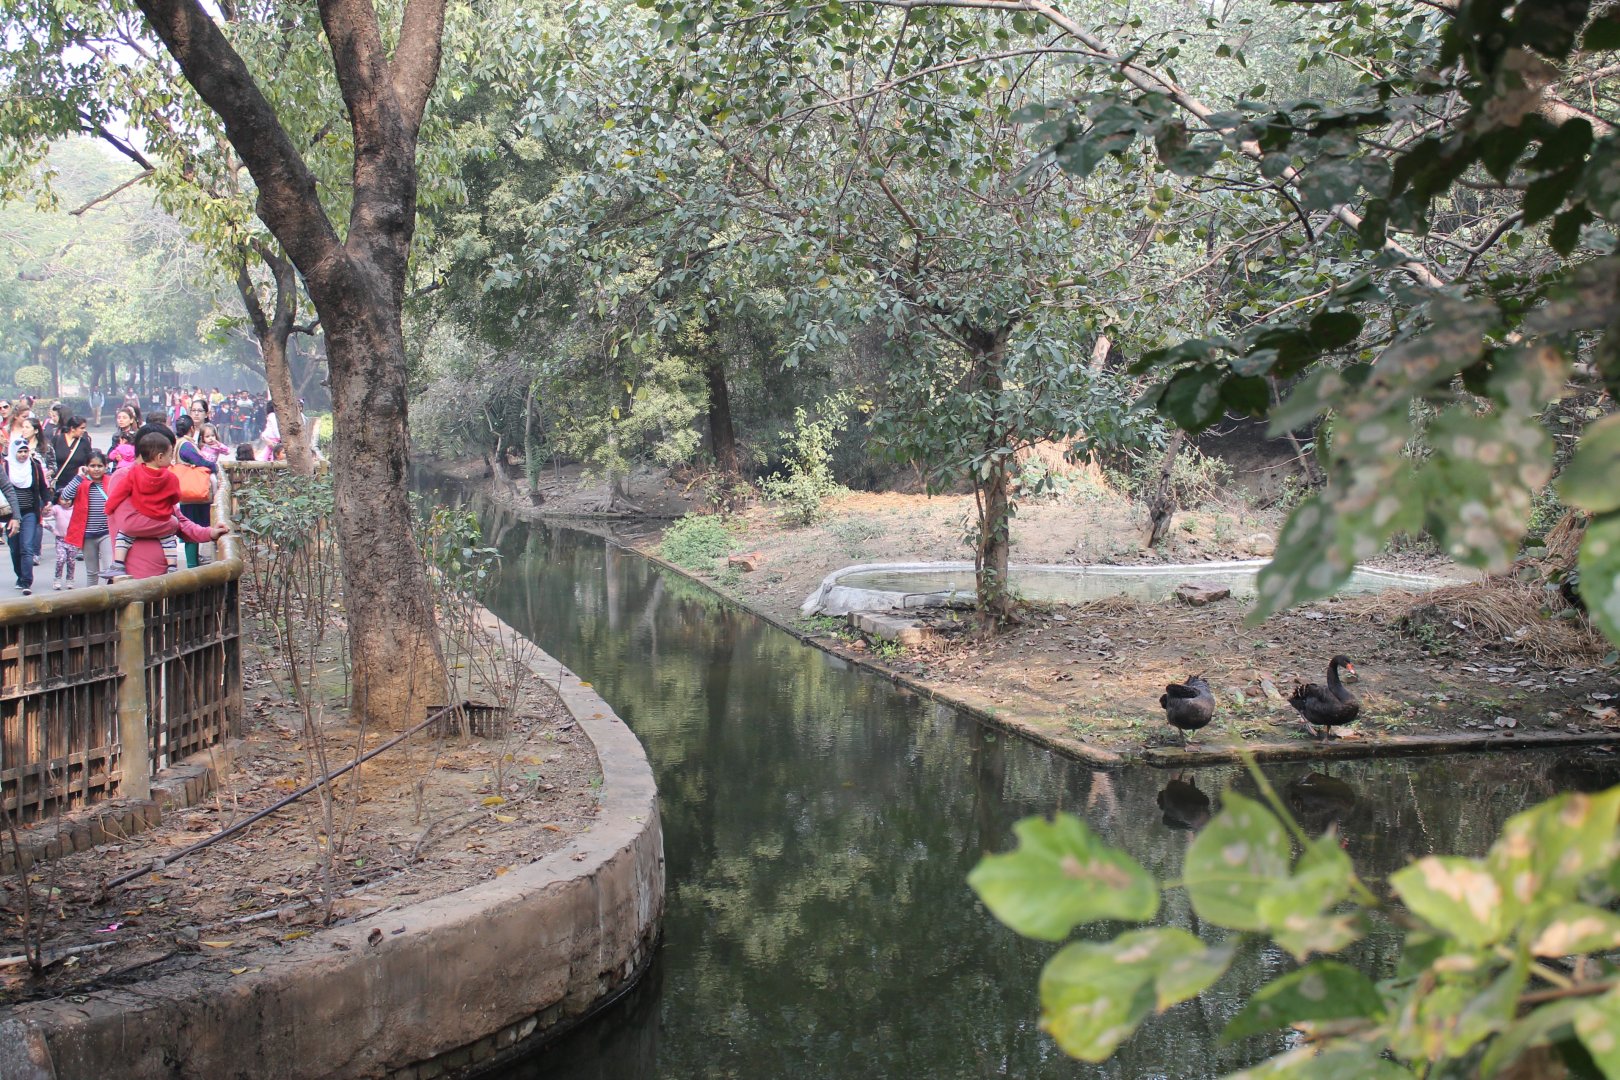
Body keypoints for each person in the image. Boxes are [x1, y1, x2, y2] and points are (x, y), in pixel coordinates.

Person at [102, 431, 182, 579]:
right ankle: (172, 567)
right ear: (159, 457)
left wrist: (108, 508)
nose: (171, 459)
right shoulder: (171, 477)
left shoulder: (133, 474)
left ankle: (118, 564)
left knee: (123, 537)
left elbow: (119, 493)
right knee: (168, 540)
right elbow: (176, 497)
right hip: (163, 518)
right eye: (170, 455)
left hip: (142, 514)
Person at [6, 437, 50, 594]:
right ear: (13, 452)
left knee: (27, 547)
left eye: (25, 451)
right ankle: (20, 575)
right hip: (10, 516)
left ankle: (26, 581)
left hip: (30, 512)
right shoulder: (6, 467)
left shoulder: (34, 466)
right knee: (14, 548)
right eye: (20, 452)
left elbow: (43, 487)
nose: (23, 455)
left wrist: (47, 501)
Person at [60, 451, 110, 587]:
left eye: (100, 466)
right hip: (87, 534)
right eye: (92, 466)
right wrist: (79, 477)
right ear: (87, 467)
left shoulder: (110, 482)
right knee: (92, 572)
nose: (96, 469)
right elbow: (65, 495)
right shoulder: (81, 482)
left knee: (109, 569)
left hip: (106, 532)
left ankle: (111, 602)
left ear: (106, 467)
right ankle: (93, 604)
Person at [174, 415, 218, 568]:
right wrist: (214, 467)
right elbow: (200, 462)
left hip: (186, 493)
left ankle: (194, 562)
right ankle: (192, 565)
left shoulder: (178, 442)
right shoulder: (186, 445)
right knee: (190, 529)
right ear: (192, 429)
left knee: (190, 527)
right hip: (192, 494)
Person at [50, 415, 92, 491]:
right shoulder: (57, 440)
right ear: (72, 428)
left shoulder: (84, 442)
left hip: (77, 484)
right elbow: (50, 459)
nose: (84, 430)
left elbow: (89, 460)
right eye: (81, 428)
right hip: (59, 483)